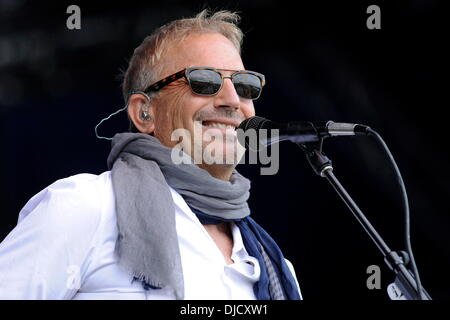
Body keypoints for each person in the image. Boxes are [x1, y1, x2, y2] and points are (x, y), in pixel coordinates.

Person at [0, 9, 302, 300]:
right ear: (144, 113)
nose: (233, 100)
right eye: (205, 81)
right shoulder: (85, 206)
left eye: (245, 85)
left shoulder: (271, 263)